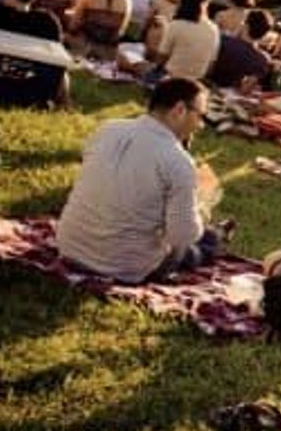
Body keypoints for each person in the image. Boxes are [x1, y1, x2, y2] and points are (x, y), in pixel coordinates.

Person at [56, 77, 223, 281]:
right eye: (201, 115)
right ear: (179, 110)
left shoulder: (107, 129)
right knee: (205, 242)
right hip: (125, 267)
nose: (201, 125)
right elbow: (181, 236)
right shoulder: (178, 161)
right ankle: (214, 240)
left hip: (69, 246)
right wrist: (200, 208)